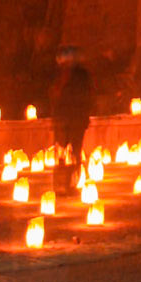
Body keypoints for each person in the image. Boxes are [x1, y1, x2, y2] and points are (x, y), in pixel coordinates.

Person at [51, 47, 93, 194]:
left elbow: (86, 96)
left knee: (74, 153)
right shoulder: (61, 75)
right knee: (63, 154)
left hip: (74, 119)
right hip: (65, 119)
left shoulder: (80, 76)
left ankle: (71, 183)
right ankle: (63, 184)